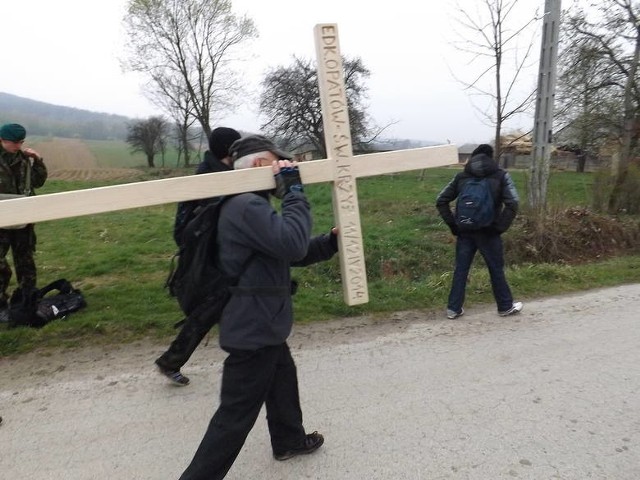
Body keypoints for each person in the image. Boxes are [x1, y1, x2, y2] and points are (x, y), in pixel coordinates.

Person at [178, 134, 337, 480]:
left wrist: (329, 243)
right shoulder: (246, 207)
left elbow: (282, 251)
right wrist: (294, 192)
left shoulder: (248, 205)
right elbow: (292, 244)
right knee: (234, 417)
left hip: (262, 320)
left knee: (282, 375)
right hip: (254, 326)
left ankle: (289, 439)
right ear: (262, 165)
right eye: (278, 162)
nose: (284, 168)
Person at [155, 127, 241, 385]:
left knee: (223, 306)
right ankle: (172, 360)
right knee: (214, 305)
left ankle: (173, 360)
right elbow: (184, 226)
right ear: (229, 150)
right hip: (206, 256)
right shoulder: (207, 177)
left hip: (220, 254)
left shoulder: (226, 173)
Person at [435, 143, 522, 319]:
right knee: (495, 269)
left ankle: (453, 309)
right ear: (491, 158)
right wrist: (498, 227)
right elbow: (513, 203)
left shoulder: (461, 177)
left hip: (465, 230)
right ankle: (505, 306)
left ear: (472, 157)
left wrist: (454, 226)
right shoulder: (501, 176)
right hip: (489, 232)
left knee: (461, 269)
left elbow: (441, 200)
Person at [0, 123, 48, 323]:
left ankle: (27, 300)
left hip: (23, 219)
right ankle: (1, 304)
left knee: (25, 262)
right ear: (2, 140)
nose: (18, 146)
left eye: (21, 142)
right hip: (0, 220)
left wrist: (37, 161)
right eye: (14, 142)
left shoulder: (26, 159)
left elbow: (38, 181)